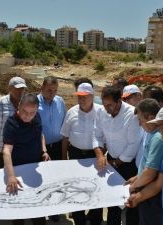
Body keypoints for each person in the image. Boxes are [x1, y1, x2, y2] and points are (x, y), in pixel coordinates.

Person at [93, 86, 143, 225]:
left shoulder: (131, 114)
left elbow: (133, 145)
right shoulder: (101, 111)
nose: (106, 108)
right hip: (110, 161)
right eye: (104, 105)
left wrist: (116, 163)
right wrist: (100, 155)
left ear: (119, 101)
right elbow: (97, 135)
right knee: (112, 202)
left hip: (128, 165)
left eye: (110, 105)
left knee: (129, 202)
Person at [3, 93, 49, 225]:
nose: (28, 116)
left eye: (32, 113)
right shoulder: (11, 123)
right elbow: (6, 151)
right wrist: (11, 176)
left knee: (38, 211)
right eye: (24, 112)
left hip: (34, 167)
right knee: (19, 212)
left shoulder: (37, 117)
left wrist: (44, 150)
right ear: (19, 106)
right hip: (18, 172)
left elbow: (40, 134)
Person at [61, 82, 103, 225]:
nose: (81, 99)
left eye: (85, 96)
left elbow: (106, 135)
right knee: (76, 189)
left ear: (92, 96)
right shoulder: (71, 112)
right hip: (75, 156)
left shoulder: (101, 112)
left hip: (94, 156)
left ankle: (95, 219)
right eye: (79, 96)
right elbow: (65, 138)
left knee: (95, 188)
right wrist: (63, 160)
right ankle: (79, 220)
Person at [125, 99, 163, 225]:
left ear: (151, 118)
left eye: (140, 120)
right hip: (146, 188)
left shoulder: (158, 138)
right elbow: (147, 164)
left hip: (152, 195)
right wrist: (137, 177)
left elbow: (150, 172)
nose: (139, 124)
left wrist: (134, 187)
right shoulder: (152, 133)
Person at [37, 76, 66, 222]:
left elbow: (65, 123)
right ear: (42, 88)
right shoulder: (34, 102)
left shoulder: (60, 101)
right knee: (42, 181)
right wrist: (43, 150)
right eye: (49, 90)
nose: (52, 93)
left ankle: (54, 210)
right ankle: (41, 210)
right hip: (41, 149)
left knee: (56, 180)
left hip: (58, 146)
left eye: (55, 91)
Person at [0, 76, 27, 170]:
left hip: (16, 150)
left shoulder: (25, 105)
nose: (20, 92)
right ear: (10, 88)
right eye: (17, 89)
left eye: (22, 89)